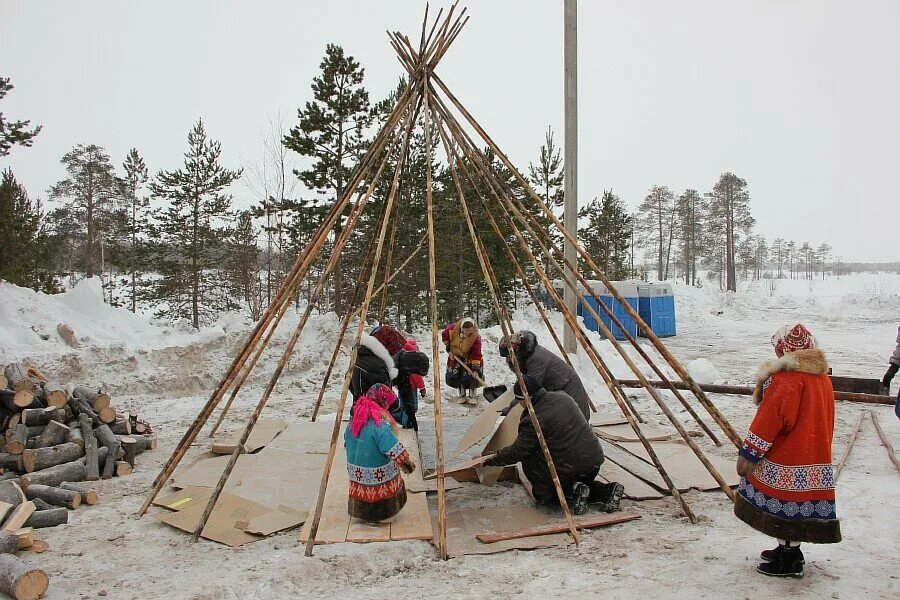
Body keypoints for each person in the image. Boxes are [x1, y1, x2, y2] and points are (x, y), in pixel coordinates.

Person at [734, 324, 841, 579]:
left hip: (788, 456)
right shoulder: (821, 378)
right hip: (813, 453)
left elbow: (770, 420)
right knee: (799, 506)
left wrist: (750, 453)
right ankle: (789, 549)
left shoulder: (786, 381)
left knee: (787, 505)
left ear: (784, 349)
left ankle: (789, 560)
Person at [482, 375, 624, 516]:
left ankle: (570, 493)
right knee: (580, 480)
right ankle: (606, 491)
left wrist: (489, 458)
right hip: (592, 462)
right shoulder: (563, 397)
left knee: (541, 485)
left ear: (527, 399)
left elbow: (518, 452)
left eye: (520, 402)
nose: (519, 405)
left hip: (567, 468)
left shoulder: (534, 419)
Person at [345, 384, 416, 523]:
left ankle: (361, 512)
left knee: (361, 485)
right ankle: (383, 514)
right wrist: (408, 465)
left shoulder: (355, 421)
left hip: (357, 473)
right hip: (378, 477)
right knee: (389, 476)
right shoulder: (379, 427)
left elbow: (347, 442)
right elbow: (395, 451)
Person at [499, 331, 591, 419]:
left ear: (516, 352)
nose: (507, 361)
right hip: (563, 397)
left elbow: (527, 391)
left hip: (573, 407)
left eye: (508, 356)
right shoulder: (529, 354)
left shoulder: (536, 360)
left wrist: (511, 409)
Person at [441, 317, 484, 405]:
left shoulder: (476, 338)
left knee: (472, 376)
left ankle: (472, 395)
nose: (468, 333)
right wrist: (449, 349)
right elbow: (445, 336)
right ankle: (462, 395)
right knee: (458, 375)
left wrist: (475, 369)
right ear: (462, 329)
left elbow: (476, 353)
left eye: (470, 330)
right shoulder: (452, 329)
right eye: (466, 330)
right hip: (456, 355)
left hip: (470, 357)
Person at [349, 332, 398, 405]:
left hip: (360, 407)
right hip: (373, 410)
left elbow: (350, 384)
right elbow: (384, 392)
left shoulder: (358, 360)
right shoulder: (377, 364)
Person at [391, 345, 429, 431]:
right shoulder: (410, 367)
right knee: (409, 405)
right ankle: (407, 422)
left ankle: (406, 421)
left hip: (403, 387)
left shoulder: (400, 363)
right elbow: (417, 378)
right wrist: (422, 388)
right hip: (411, 387)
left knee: (404, 405)